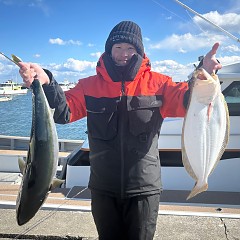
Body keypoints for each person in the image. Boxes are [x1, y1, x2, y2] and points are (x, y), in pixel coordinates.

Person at [19, 21, 221, 240]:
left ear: (139, 51)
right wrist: (47, 81)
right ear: (109, 50)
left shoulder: (160, 84)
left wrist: (204, 72)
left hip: (144, 189)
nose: (123, 54)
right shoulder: (89, 85)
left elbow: (189, 102)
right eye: (118, 48)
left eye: (130, 48)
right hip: (103, 188)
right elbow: (64, 113)